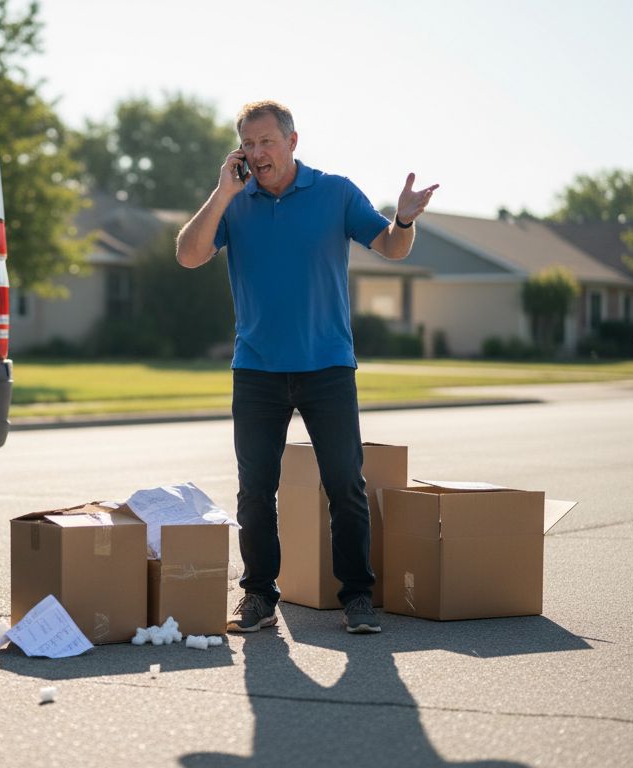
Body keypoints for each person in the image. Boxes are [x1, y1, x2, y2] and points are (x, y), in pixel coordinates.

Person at [175, 100, 437, 635]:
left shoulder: (334, 192)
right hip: (257, 372)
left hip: (327, 368)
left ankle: (357, 597)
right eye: (247, 143)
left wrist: (404, 217)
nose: (257, 153)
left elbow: (391, 246)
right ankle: (258, 597)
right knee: (255, 491)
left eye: (266, 141)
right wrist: (223, 192)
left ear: (293, 141)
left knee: (345, 484)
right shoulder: (236, 201)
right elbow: (188, 255)